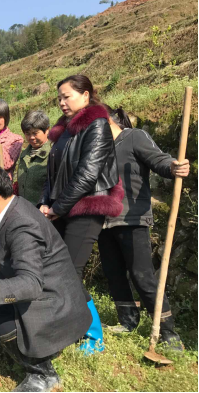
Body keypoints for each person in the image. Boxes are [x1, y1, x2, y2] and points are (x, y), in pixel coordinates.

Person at [0, 165, 92, 393]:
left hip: (54, 303)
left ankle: (42, 374)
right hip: (48, 294)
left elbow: (31, 284)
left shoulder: (22, 225)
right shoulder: (8, 212)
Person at [39, 75, 124, 355]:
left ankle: (93, 335)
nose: (62, 102)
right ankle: (68, 326)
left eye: (68, 96)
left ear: (86, 96)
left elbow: (88, 174)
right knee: (57, 269)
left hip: (88, 206)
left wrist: (57, 208)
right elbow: (53, 173)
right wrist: (45, 202)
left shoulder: (97, 125)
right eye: (59, 98)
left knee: (70, 273)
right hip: (63, 207)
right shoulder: (64, 131)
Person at [98, 106, 189, 350]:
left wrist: (173, 166)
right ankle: (128, 320)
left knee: (142, 275)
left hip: (132, 218)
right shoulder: (99, 148)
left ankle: (168, 332)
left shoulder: (134, 136)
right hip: (104, 220)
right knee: (114, 272)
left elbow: (158, 159)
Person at [15, 110, 52, 205]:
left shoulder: (53, 153)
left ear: (47, 130)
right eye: (27, 133)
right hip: (25, 210)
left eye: (35, 133)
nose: (31, 137)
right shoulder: (24, 155)